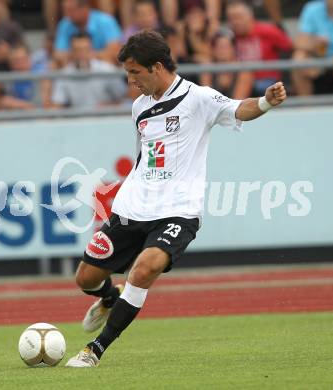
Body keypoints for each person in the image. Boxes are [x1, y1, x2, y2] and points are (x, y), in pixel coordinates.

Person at [65, 29, 287, 368]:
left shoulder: (198, 98)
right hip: (132, 209)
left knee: (144, 268)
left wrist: (266, 102)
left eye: (134, 73)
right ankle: (110, 298)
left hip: (178, 211)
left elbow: (238, 109)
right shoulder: (140, 106)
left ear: (156, 67)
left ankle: (95, 349)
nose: (131, 81)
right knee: (86, 278)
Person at [226, 0, 292, 96]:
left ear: (250, 16)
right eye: (231, 19)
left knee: (245, 75)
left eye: (238, 17)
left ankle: (234, 110)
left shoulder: (267, 31)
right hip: (237, 78)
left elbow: (289, 47)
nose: (235, 22)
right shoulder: (230, 37)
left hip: (266, 79)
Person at [51, 32, 127, 108]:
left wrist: (106, 107)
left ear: (92, 50)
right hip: (76, 119)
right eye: (77, 50)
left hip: (105, 117)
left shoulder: (107, 70)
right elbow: (58, 104)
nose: (82, 54)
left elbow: (123, 100)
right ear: (71, 52)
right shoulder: (64, 74)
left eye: (85, 49)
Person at [54, 0, 122, 65]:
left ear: (84, 8)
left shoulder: (106, 21)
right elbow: (59, 55)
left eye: (70, 10)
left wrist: (85, 55)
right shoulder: (65, 24)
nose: (67, 15)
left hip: (104, 72)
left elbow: (116, 53)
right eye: (65, 11)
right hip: (75, 70)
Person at [292, 0, 333, 95]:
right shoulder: (312, 8)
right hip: (316, 55)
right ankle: (305, 107)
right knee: (299, 56)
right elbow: (300, 43)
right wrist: (316, 43)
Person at [209, 31, 253, 99]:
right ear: (213, 50)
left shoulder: (244, 72)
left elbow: (238, 103)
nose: (222, 50)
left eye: (226, 47)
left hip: (237, 108)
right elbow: (206, 100)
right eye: (219, 46)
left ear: (233, 49)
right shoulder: (207, 70)